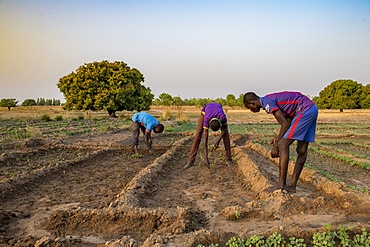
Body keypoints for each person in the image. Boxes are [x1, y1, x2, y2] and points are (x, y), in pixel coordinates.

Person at [243, 91, 318, 193]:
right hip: (311, 108)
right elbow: (288, 119)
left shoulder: (267, 103)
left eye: (249, 108)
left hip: (304, 110)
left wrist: (276, 146)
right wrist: (279, 137)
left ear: (252, 103)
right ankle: (292, 185)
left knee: (282, 145)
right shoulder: (269, 99)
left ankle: (281, 184)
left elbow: (285, 124)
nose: (251, 110)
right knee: (301, 150)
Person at [184, 102, 234, 169]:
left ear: (220, 124)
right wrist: (206, 159)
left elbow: (224, 130)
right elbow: (205, 140)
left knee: (226, 135)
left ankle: (229, 159)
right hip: (205, 111)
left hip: (217, 109)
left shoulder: (223, 117)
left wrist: (218, 142)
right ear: (209, 125)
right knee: (198, 134)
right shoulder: (206, 119)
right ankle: (191, 160)